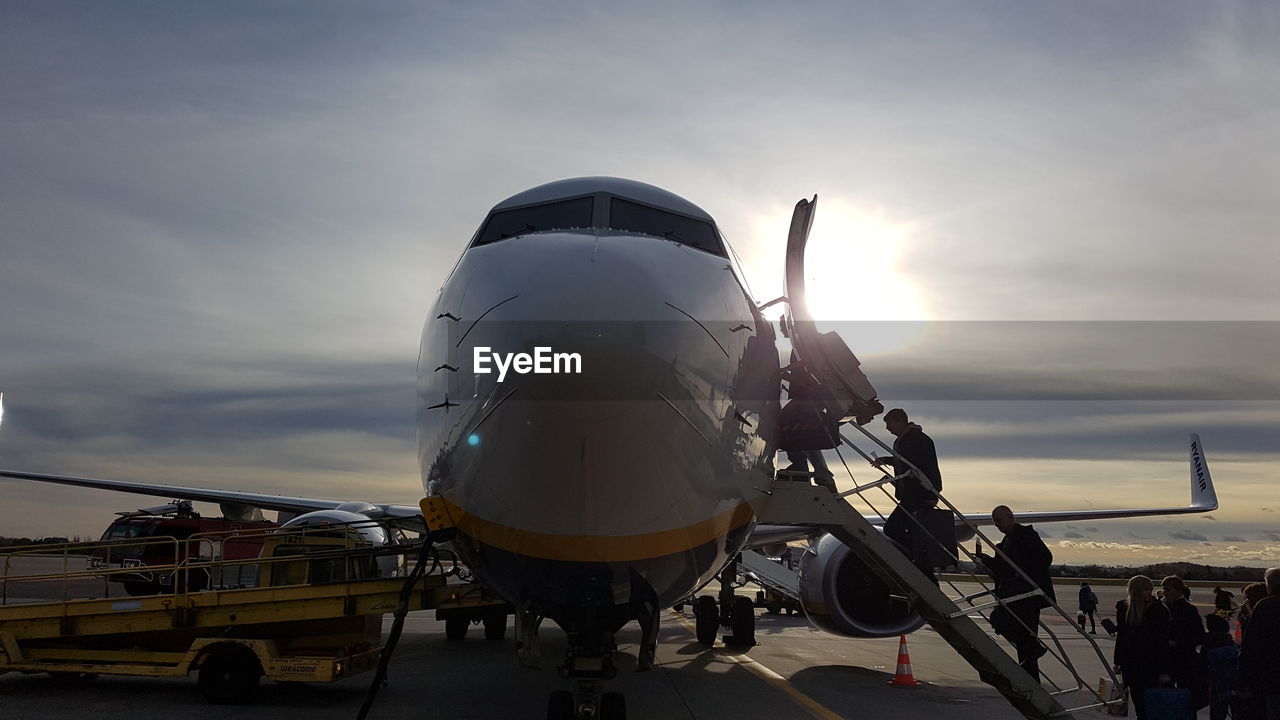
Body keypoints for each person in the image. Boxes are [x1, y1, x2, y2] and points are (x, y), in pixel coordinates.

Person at [975, 505, 1055, 680]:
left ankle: (1031, 672)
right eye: (994, 522)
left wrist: (1023, 573)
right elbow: (1003, 568)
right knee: (1011, 629)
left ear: (1010, 517)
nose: (996, 525)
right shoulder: (1006, 541)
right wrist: (985, 559)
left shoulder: (1026, 536)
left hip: (1027, 595)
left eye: (999, 520)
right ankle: (1031, 663)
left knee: (1022, 634)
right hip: (1013, 595)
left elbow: (1045, 558)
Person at [877, 408, 943, 554]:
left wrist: (931, 494)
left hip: (918, 495)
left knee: (892, 529)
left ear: (900, 421)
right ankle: (917, 553)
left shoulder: (915, 439)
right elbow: (909, 463)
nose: (888, 429)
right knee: (908, 529)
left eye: (890, 424)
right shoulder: (908, 440)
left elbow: (915, 464)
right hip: (915, 495)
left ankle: (917, 552)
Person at [1114, 575, 1172, 720]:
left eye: (1150, 590)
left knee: (1150, 706)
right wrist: (1118, 661)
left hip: (1152, 665)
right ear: (1136, 591)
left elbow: (1162, 642)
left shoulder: (1158, 609)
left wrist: (1164, 670)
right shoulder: (1124, 608)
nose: (1150, 593)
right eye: (1146, 590)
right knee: (1139, 705)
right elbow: (1122, 637)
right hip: (1132, 665)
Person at [777, 355, 837, 491]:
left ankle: (800, 464)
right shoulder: (802, 340)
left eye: (782, 330)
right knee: (808, 438)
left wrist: (786, 373)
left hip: (807, 397)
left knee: (783, 424)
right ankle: (824, 478)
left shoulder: (802, 341)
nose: (781, 331)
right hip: (808, 397)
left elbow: (807, 363)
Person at [1239, 567, 1280, 720]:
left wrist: (1244, 680)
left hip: (1271, 677)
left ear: (1270, 585)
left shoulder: (1265, 606)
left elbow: (1251, 646)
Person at [1161, 576, 1208, 710]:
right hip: (1167, 661)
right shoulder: (1162, 607)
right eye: (1163, 589)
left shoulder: (1188, 610)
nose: (1164, 592)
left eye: (1167, 589)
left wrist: (1177, 643)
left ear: (1178, 591)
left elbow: (1199, 636)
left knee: (1185, 701)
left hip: (1183, 661)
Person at [1203, 612, 1239, 720]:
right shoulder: (1232, 648)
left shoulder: (1207, 646)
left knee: (1217, 712)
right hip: (1232, 682)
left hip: (1215, 683)